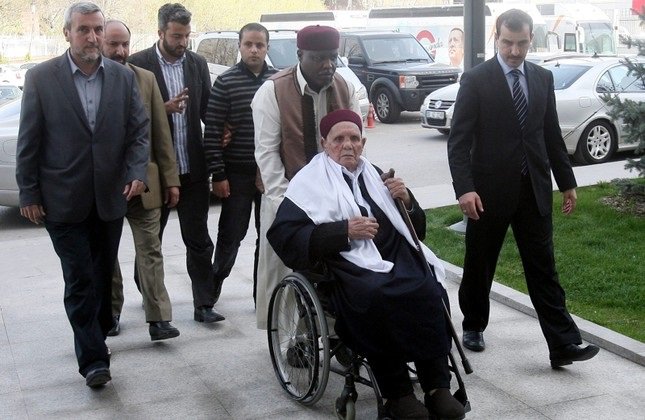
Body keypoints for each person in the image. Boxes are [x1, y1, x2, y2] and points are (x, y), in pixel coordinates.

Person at [267, 110, 466, 420]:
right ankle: (397, 393)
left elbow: (416, 229)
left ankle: (437, 387)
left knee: (428, 288)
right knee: (376, 296)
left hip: (394, 255)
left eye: (354, 138)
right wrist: (343, 231)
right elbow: (285, 237)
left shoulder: (376, 174)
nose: (347, 145)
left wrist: (407, 201)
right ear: (324, 143)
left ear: (363, 142)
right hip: (347, 265)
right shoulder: (308, 182)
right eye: (339, 139)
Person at [447, 9, 599, 368]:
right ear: (496, 38)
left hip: (534, 189)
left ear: (531, 39)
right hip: (487, 194)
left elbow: (550, 135)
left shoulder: (542, 78)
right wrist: (465, 189)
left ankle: (563, 344)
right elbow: (458, 141)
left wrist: (567, 182)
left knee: (544, 268)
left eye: (521, 43)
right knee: (480, 262)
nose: (514, 51)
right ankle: (473, 325)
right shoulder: (476, 80)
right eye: (507, 43)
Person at [15, 2, 149, 387]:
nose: (92, 37)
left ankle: (97, 331)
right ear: (67, 34)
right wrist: (28, 192)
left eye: (97, 29)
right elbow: (29, 139)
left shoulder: (122, 78)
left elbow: (138, 132)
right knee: (79, 278)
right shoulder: (41, 78)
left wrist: (136, 172)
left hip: (110, 197)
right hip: (61, 199)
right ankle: (93, 361)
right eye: (83, 30)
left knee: (102, 276)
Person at [252, 25, 362, 329]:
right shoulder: (273, 91)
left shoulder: (344, 87)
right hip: (286, 199)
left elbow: (356, 145)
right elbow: (267, 155)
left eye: (332, 57)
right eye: (318, 58)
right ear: (300, 54)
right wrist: (287, 205)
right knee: (284, 269)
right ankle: (288, 337)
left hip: (336, 197)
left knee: (339, 265)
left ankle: (337, 329)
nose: (327, 65)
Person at [128, 3, 224, 323]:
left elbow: (207, 109)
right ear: (160, 33)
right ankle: (148, 292)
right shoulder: (137, 64)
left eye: (186, 36)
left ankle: (204, 304)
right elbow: (128, 119)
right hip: (156, 172)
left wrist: (222, 129)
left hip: (192, 168)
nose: (182, 42)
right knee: (151, 241)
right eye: (176, 36)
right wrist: (162, 109)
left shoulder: (197, 63)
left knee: (198, 239)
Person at [101, 19, 181, 341]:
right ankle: (110, 313)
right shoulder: (91, 82)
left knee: (151, 250)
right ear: (100, 43)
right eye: (113, 44)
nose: (120, 51)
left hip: (145, 185)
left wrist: (171, 180)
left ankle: (159, 318)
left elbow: (161, 135)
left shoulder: (145, 79)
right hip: (104, 187)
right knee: (106, 254)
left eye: (125, 44)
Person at [204, 23, 277, 306]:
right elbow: (213, 132)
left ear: (267, 47)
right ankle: (211, 290)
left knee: (268, 236)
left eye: (259, 45)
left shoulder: (277, 81)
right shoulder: (226, 82)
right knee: (231, 234)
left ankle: (263, 298)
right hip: (236, 173)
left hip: (270, 173)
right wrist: (218, 174)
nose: (254, 50)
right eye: (248, 44)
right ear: (239, 46)